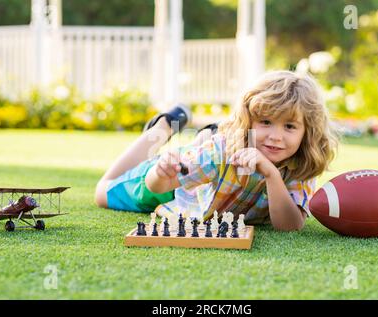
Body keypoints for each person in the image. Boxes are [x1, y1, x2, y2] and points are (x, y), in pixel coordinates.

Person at [95, 70, 339, 231]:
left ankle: (204, 135)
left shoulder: (303, 163)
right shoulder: (223, 152)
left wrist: (271, 175)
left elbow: (290, 226)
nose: (276, 136)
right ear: (249, 121)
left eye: (289, 126)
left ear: (307, 131)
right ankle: (163, 127)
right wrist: (160, 173)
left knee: (208, 148)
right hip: (181, 189)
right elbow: (158, 187)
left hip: (209, 177)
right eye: (266, 122)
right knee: (102, 194)